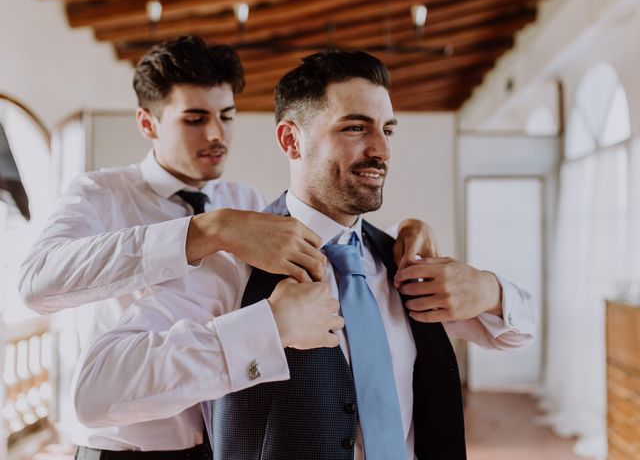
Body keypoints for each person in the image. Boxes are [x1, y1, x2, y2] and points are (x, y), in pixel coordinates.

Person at [73, 50, 535, 460]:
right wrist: (265, 328)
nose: (381, 150)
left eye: (386, 129)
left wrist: (490, 290)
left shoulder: (401, 258)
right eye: (355, 128)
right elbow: (96, 392)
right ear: (291, 141)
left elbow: (516, 333)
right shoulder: (229, 267)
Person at [17, 36, 436, 458]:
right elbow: (37, 283)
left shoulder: (248, 203)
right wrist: (206, 232)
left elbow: (326, 228)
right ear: (148, 124)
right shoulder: (100, 194)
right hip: (122, 442)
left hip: (221, 440)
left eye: (227, 116)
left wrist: (393, 234)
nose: (217, 135)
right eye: (195, 119)